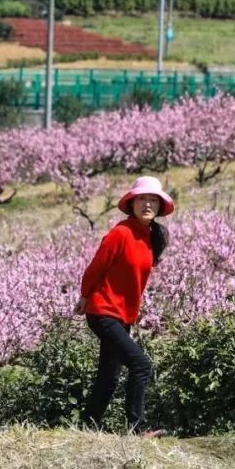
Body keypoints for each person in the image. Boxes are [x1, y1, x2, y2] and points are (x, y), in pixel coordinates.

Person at [74, 176, 173, 436]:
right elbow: (96, 266)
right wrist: (84, 295)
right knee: (141, 364)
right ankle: (137, 429)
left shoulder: (152, 238)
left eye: (153, 200)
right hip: (102, 310)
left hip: (122, 316)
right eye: (142, 199)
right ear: (132, 203)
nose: (147, 204)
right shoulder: (121, 233)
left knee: (109, 375)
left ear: (160, 207)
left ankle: (87, 427)